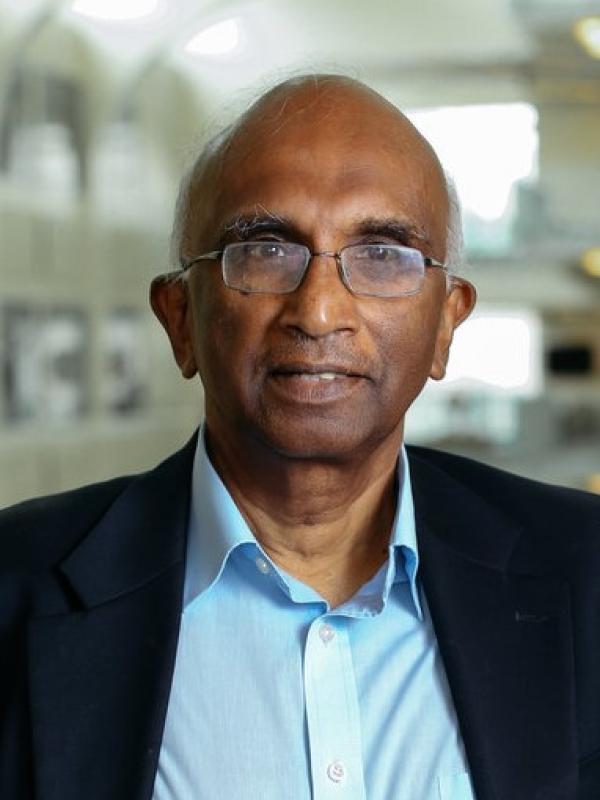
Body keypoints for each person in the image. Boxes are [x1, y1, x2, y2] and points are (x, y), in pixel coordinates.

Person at [1, 75, 599, 800]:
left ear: (446, 324)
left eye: (382, 254)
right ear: (180, 317)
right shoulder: (17, 588)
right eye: (265, 250)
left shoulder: (585, 573)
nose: (318, 311)